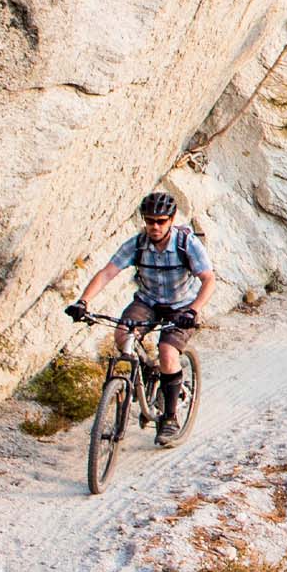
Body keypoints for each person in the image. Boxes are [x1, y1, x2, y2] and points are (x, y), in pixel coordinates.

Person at [66, 190, 213, 444]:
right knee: (122, 334)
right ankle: (147, 373)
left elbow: (208, 279)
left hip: (182, 306)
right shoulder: (137, 244)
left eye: (161, 221)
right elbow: (107, 273)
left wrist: (194, 310)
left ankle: (169, 418)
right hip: (148, 302)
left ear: (172, 219)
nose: (154, 226)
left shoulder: (186, 243)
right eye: (149, 220)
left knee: (168, 353)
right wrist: (83, 301)